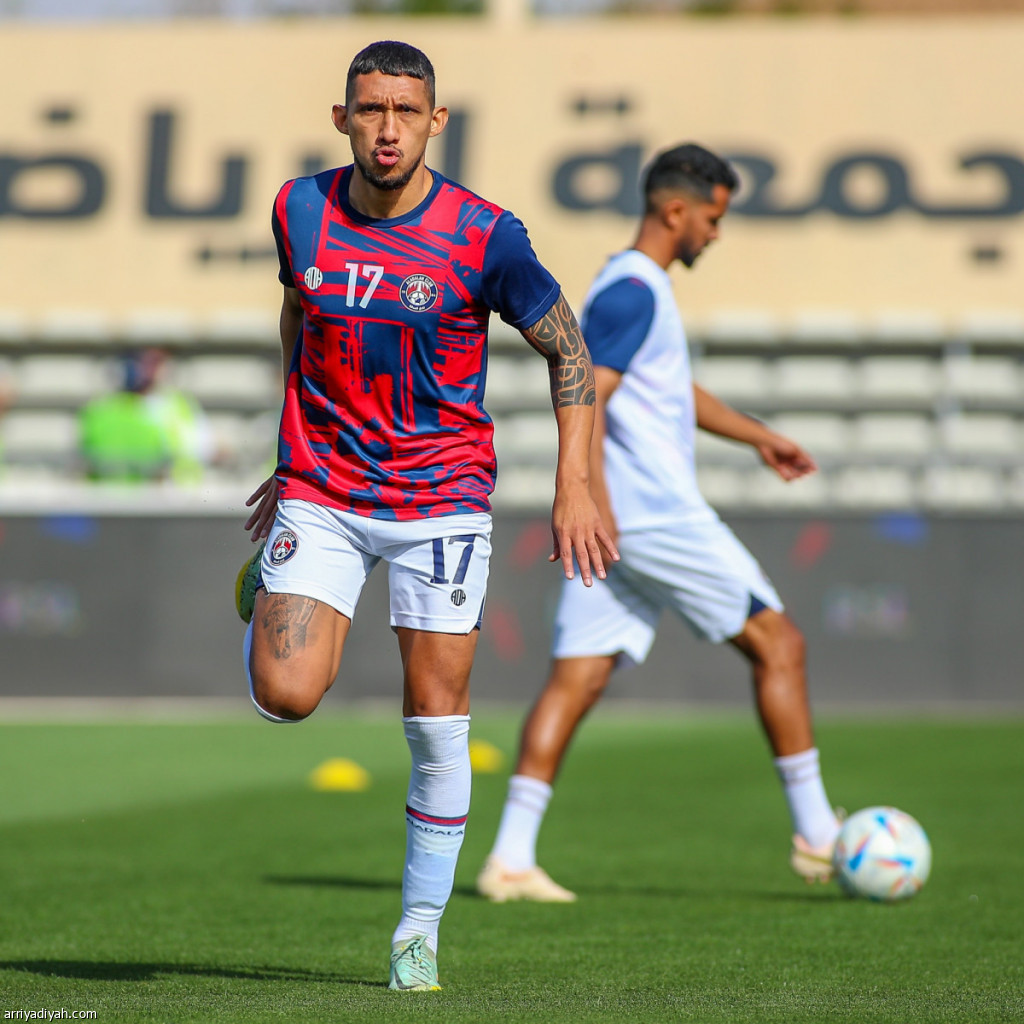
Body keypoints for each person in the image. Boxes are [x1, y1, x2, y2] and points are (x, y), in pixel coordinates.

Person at [234, 40, 615, 992]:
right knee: (286, 696)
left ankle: (418, 932)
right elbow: (299, 316)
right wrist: (289, 449)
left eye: (407, 111)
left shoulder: (485, 236)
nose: (388, 129)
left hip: (441, 498)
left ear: (437, 122)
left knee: (437, 719)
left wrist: (575, 482)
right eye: (371, 110)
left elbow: (570, 352)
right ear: (342, 118)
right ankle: (272, 581)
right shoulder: (298, 210)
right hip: (324, 488)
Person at [477, 142, 842, 905]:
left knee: (577, 678)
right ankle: (818, 835)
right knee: (780, 643)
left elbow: (670, 389)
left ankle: (509, 858)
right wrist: (591, 497)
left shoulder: (634, 288)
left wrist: (757, 435)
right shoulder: (634, 291)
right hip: (651, 517)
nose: (716, 233)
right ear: (676, 210)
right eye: (713, 217)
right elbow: (588, 389)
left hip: (624, 523)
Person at [78, 347, 213, 484]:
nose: (148, 368)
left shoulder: (180, 406)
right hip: (131, 489)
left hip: (174, 489)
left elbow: (202, 449)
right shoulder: (108, 408)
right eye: (142, 360)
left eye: (156, 361)